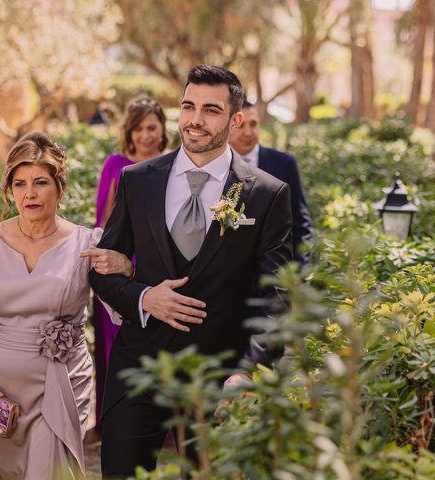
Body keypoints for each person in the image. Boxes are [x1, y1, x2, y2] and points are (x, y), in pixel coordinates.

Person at [90, 65, 293, 477]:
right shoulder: (137, 180)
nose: (195, 119)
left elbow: (275, 300)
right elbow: (102, 269)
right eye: (188, 106)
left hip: (218, 376)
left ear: (235, 120)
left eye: (211, 110)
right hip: (139, 370)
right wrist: (145, 297)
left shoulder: (266, 194)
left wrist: (246, 371)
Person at [0, 132, 134, 479]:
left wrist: (127, 268)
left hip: (64, 382)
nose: (30, 193)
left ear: (59, 187)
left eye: (40, 182)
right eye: (20, 183)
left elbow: (121, 309)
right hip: (3, 393)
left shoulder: (86, 243)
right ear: (10, 188)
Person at [91, 94, 168, 431]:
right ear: (129, 131)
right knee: (112, 345)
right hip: (118, 267)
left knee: (156, 344)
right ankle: (113, 421)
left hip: (157, 267)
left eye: (152, 127)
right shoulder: (115, 165)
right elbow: (104, 221)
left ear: (163, 128)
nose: (146, 136)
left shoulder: (174, 164)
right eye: (138, 129)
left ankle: (159, 421)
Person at [229, 100, 313, 266]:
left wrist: (300, 269)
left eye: (253, 124)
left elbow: (299, 219)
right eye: (241, 125)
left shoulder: (284, 163)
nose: (248, 132)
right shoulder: (216, 165)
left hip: (276, 270)